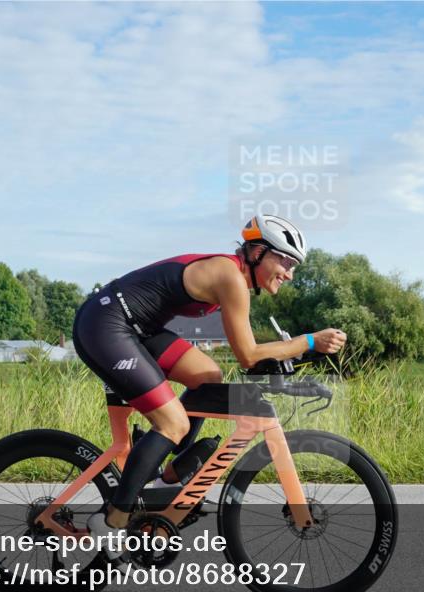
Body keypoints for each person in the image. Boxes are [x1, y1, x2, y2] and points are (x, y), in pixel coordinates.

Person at [71, 214, 347, 563]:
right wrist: (309, 340)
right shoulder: (229, 275)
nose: (289, 273)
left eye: (294, 266)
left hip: (138, 328)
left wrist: (283, 357)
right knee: (172, 423)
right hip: (106, 324)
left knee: (208, 378)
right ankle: (112, 520)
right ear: (258, 252)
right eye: (286, 261)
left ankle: (168, 479)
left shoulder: (235, 278)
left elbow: (250, 356)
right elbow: (248, 355)